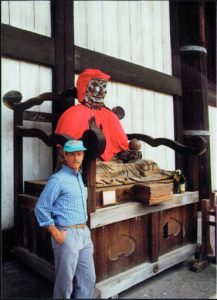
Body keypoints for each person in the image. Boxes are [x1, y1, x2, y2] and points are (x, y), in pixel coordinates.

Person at [34, 139, 96, 299]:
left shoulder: (79, 177)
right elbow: (41, 208)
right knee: (65, 284)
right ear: (65, 156)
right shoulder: (58, 179)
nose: (76, 157)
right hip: (67, 235)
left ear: (83, 156)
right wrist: (56, 234)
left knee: (88, 279)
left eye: (79, 154)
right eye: (72, 154)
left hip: (84, 234)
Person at [55, 68, 129, 163]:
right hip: (88, 163)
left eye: (104, 86)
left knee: (143, 166)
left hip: (113, 163)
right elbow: (64, 152)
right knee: (96, 170)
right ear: (84, 88)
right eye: (95, 85)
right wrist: (91, 139)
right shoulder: (73, 114)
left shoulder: (110, 115)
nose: (101, 91)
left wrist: (125, 154)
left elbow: (121, 145)